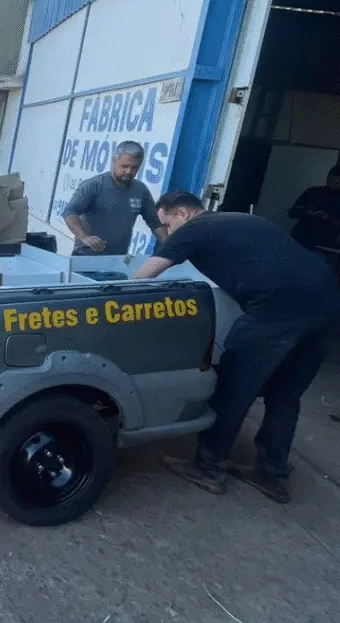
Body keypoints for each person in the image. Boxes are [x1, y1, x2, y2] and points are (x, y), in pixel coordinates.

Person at [133, 191, 340, 503]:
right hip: (326, 303)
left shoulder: (193, 229)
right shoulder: (238, 219)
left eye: (167, 224)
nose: (168, 233)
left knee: (234, 388)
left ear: (183, 214)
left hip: (277, 309)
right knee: (285, 395)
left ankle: (208, 467)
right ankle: (272, 474)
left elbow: (143, 277)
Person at [63, 140, 166, 255]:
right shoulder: (94, 185)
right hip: (85, 257)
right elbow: (70, 213)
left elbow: (154, 222)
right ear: (114, 160)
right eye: (124, 166)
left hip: (118, 261)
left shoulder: (141, 191)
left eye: (134, 167)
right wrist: (85, 237)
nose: (128, 171)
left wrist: (171, 247)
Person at [288, 164, 340, 261]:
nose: (331, 183)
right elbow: (292, 212)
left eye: (336, 182)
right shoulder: (313, 192)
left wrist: (329, 218)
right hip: (298, 241)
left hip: (322, 248)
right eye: (330, 180)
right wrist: (307, 211)